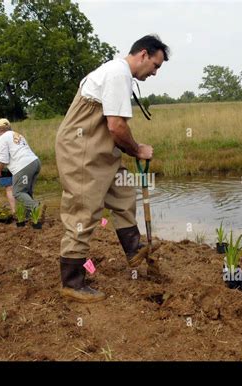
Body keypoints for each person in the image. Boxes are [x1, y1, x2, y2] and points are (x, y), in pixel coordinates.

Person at [55, 35, 169, 303]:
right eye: (155, 65)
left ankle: (133, 249)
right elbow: (116, 126)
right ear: (143, 54)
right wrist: (137, 149)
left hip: (102, 150)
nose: (154, 73)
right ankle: (72, 282)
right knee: (83, 211)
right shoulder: (118, 73)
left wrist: (131, 147)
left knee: (123, 192)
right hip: (82, 149)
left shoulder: (119, 74)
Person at [0, 118, 41, 215]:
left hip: (23, 166)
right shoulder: (18, 135)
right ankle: (30, 216)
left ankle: (35, 207)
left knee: (18, 192)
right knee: (27, 192)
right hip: (35, 162)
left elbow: (3, 158)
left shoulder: (2, 138)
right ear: (9, 126)